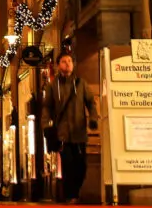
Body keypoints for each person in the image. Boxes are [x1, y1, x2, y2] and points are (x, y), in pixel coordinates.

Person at [42, 52, 98, 204]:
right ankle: (71, 195)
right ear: (58, 65)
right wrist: (46, 125)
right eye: (63, 61)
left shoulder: (81, 84)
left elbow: (91, 102)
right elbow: (47, 107)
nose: (67, 64)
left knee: (81, 166)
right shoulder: (53, 86)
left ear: (73, 65)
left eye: (69, 61)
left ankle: (75, 192)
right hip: (63, 134)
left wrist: (93, 118)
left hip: (79, 133)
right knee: (67, 165)